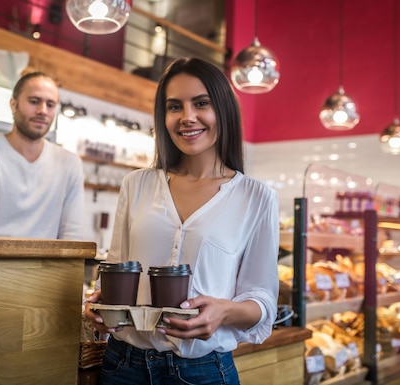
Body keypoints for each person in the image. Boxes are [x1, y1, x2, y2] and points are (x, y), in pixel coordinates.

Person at [84, 57, 279, 384]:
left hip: (203, 371)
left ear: (224, 111)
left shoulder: (255, 197)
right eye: (175, 107)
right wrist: (99, 306)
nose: (187, 117)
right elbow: (115, 273)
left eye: (201, 103)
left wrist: (224, 311)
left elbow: (262, 302)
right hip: (123, 366)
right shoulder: (137, 185)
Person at [0, 71, 84, 239]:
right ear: (13, 104)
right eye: (34, 101)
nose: (43, 111)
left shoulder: (69, 164)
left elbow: (72, 236)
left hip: (48, 266)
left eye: (50, 104)